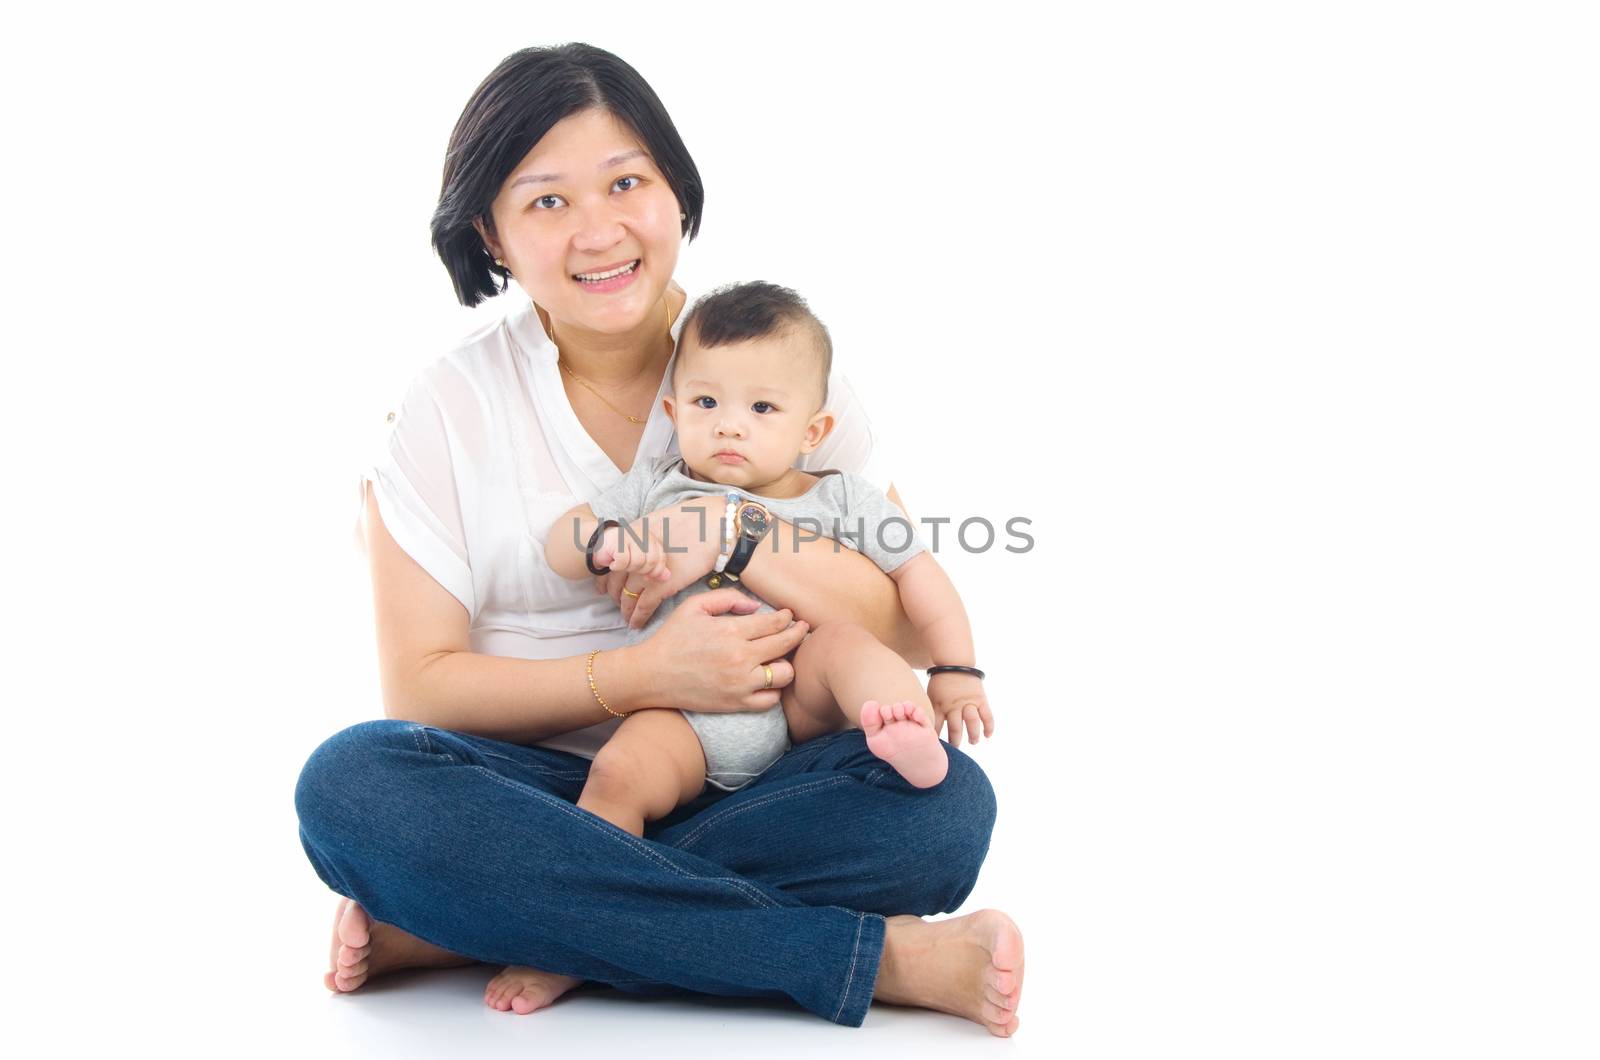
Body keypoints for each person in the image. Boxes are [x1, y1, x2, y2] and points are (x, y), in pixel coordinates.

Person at [293, 42, 1024, 1035]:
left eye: (625, 182)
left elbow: (892, 621)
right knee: (353, 789)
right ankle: (875, 957)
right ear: (491, 232)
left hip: (761, 781)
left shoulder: (772, 365)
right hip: (534, 789)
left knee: (944, 812)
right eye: (546, 200)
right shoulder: (449, 407)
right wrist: (641, 674)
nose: (598, 231)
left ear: (676, 193)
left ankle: (479, 920)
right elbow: (422, 688)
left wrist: (734, 530)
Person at [486, 280, 998, 1002]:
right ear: (673, 413)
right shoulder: (659, 487)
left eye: (761, 408)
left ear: (811, 431)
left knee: (846, 645)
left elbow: (922, 579)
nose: (730, 427)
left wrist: (955, 669)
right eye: (706, 404)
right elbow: (562, 542)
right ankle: (575, 937)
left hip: (798, 705)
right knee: (614, 779)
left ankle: (897, 723)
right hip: (681, 712)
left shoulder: (841, 495)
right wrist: (607, 543)